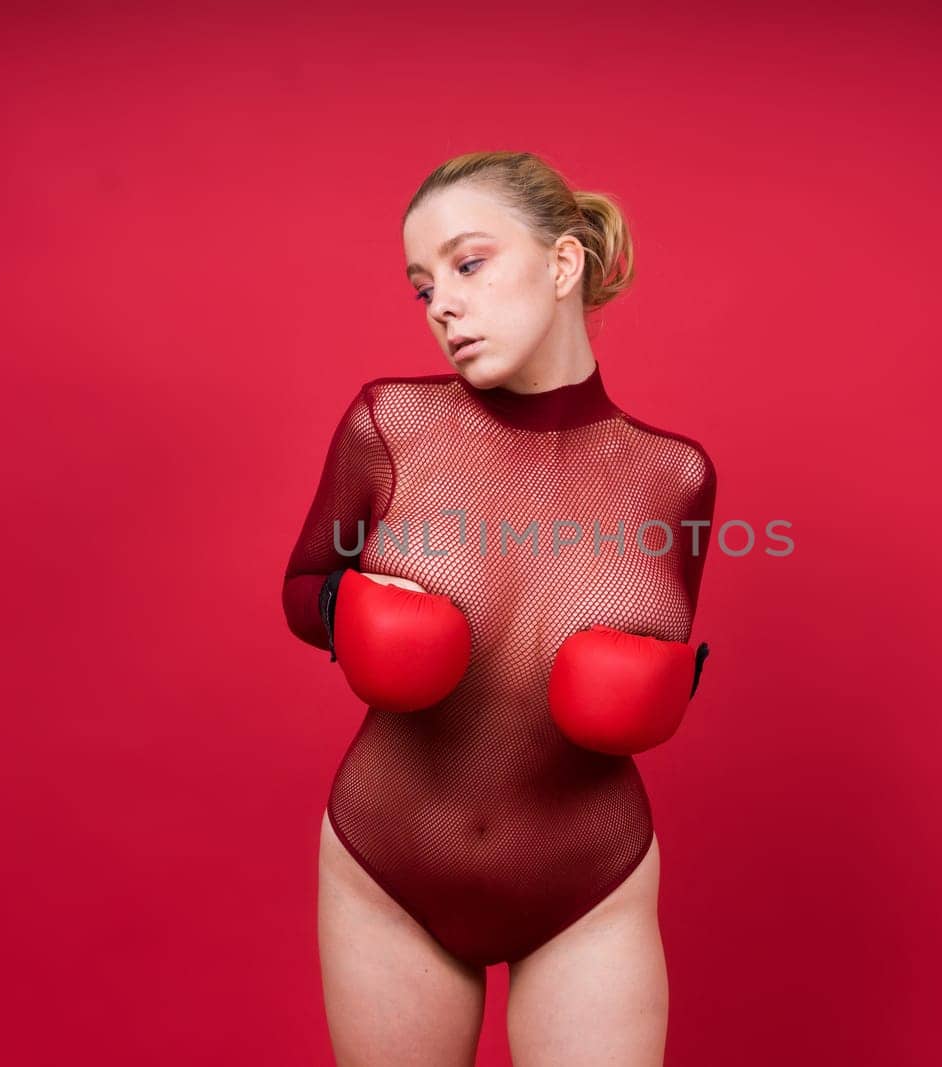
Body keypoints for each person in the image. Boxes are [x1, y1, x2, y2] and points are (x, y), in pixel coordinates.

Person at [281, 150, 717, 1066]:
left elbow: (662, 668)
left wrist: (656, 689)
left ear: (563, 265)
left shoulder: (675, 478)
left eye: (467, 263)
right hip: (388, 864)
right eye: (421, 285)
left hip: (586, 883)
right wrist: (351, 611)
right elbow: (301, 586)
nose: (441, 301)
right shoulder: (389, 424)